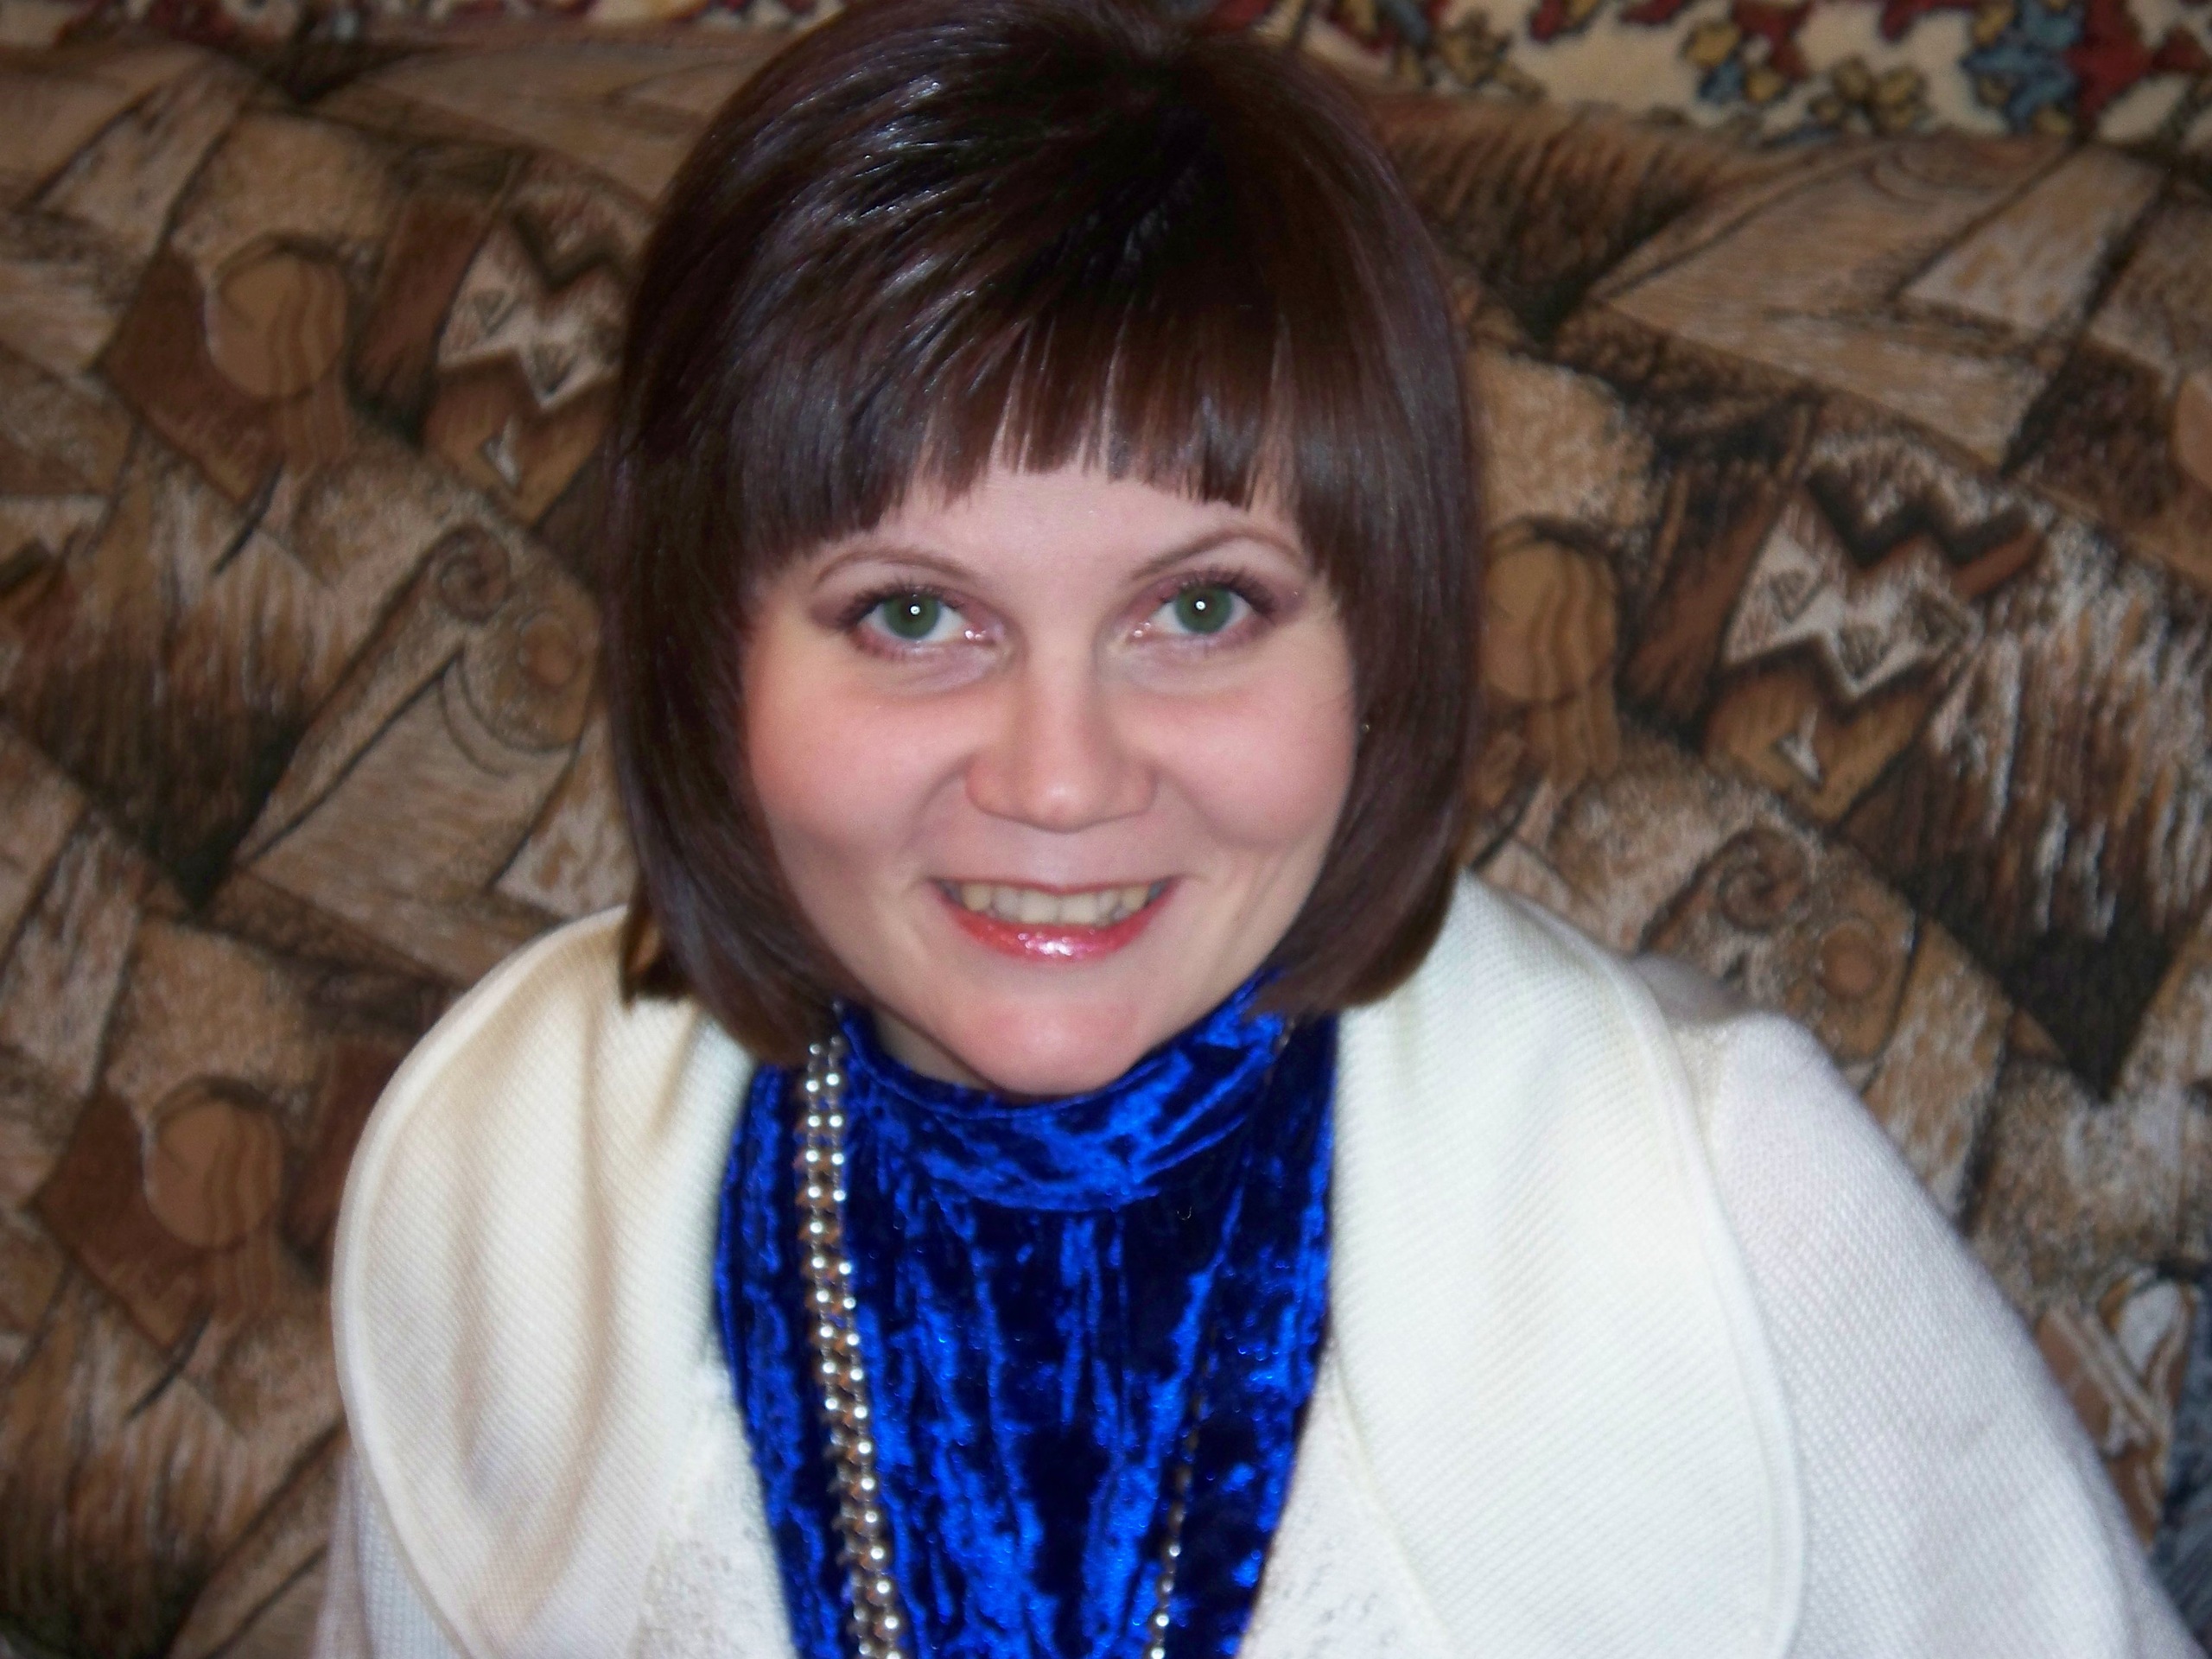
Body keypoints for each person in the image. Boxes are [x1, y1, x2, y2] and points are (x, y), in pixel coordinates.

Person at [311, 0, 2198, 1653]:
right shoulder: (495, 1178)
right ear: (703, 649)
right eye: (912, 615)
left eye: (1201, 608)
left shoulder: (1722, 1212)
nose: (1060, 780)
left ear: (1380, 643)